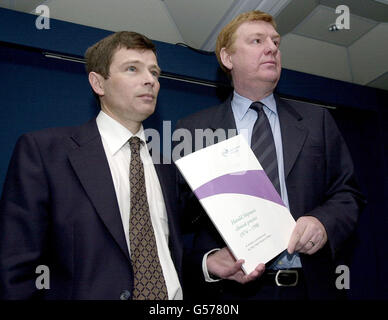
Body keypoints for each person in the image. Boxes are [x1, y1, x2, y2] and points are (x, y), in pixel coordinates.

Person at [176, 10, 365, 300]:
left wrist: (323, 223)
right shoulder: (192, 130)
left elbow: (347, 194)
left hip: (312, 288)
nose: (272, 48)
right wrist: (211, 258)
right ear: (228, 58)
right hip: (233, 292)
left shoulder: (317, 121)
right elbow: (178, 215)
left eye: (276, 42)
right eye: (256, 40)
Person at [0, 31, 183, 300]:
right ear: (98, 83)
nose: (150, 80)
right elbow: (16, 268)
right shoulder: (44, 153)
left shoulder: (167, 167)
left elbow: (171, 253)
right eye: (132, 69)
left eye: (154, 73)